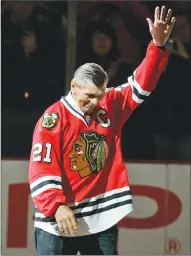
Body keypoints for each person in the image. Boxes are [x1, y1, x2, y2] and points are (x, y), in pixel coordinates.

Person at [28, 6, 176, 255]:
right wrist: (55, 206)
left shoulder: (110, 104)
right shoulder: (52, 119)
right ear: (73, 87)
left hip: (101, 216)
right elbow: (41, 168)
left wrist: (157, 46)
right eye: (88, 96)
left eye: (99, 96)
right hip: (58, 220)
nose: (95, 103)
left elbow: (141, 84)